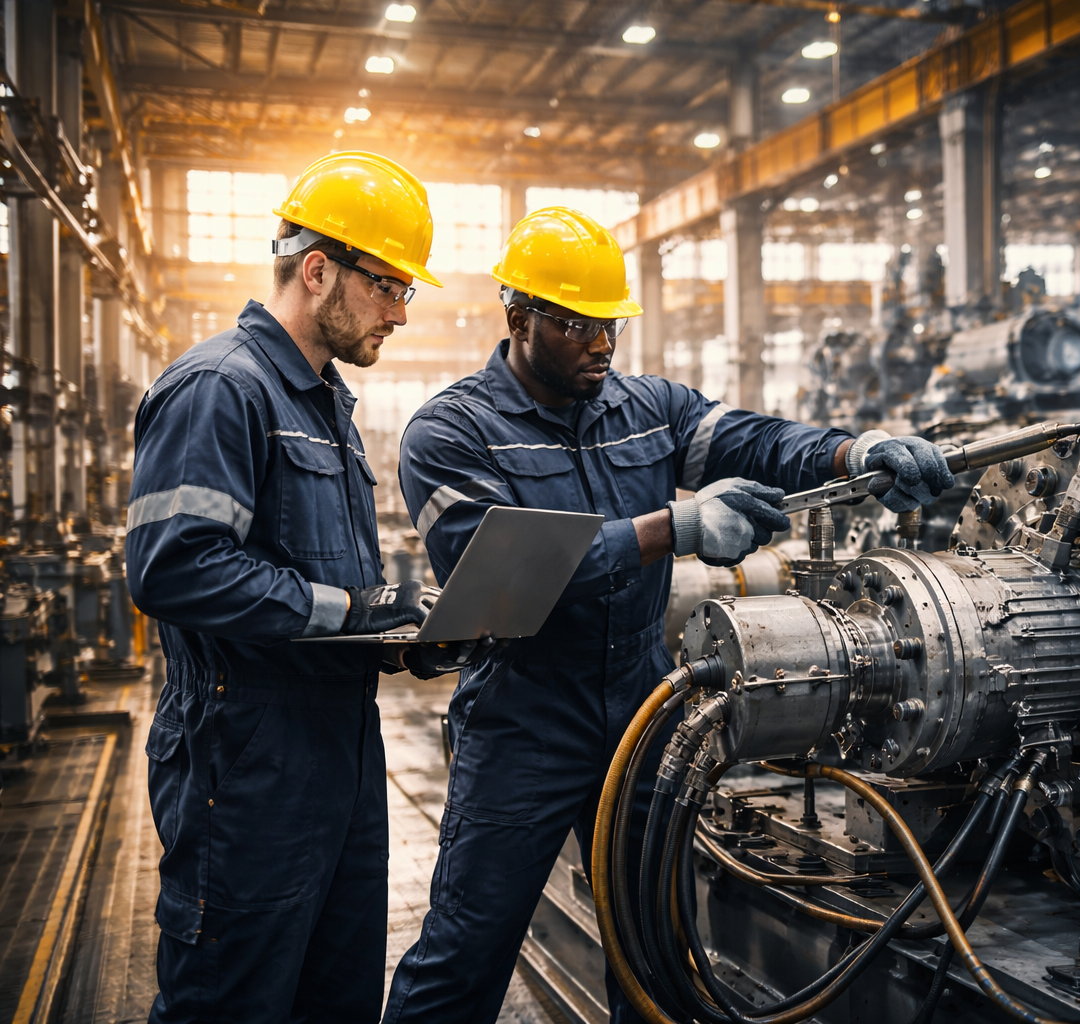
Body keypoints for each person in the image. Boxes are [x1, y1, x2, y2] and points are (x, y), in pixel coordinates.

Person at [384, 206, 955, 1023]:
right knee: (466, 952)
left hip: (641, 712)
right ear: (519, 319)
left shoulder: (647, 408)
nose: (602, 344)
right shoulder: (451, 432)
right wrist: (673, 528)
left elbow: (754, 440)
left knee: (655, 950)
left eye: (611, 323)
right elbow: (499, 579)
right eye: (579, 323)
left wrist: (852, 451)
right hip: (525, 723)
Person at [128, 151, 483, 1023]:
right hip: (246, 763)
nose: (402, 313)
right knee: (235, 1000)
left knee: (337, 997)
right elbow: (175, 566)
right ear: (319, 268)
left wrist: (400, 634)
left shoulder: (325, 405)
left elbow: (328, 584)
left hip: (339, 757)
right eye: (389, 287)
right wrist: (350, 610)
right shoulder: (222, 388)